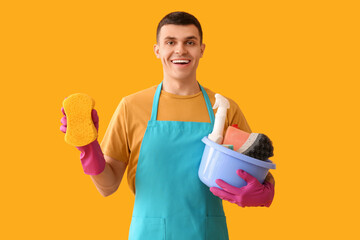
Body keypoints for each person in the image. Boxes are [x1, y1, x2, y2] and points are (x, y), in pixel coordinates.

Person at [60, 11, 275, 240]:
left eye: (189, 42)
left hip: (207, 234)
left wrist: (266, 192)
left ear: (201, 49)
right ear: (157, 50)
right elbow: (108, 186)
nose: (180, 50)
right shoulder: (131, 106)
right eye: (170, 42)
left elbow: (254, 165)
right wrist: (88, 148)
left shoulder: (225, 109)